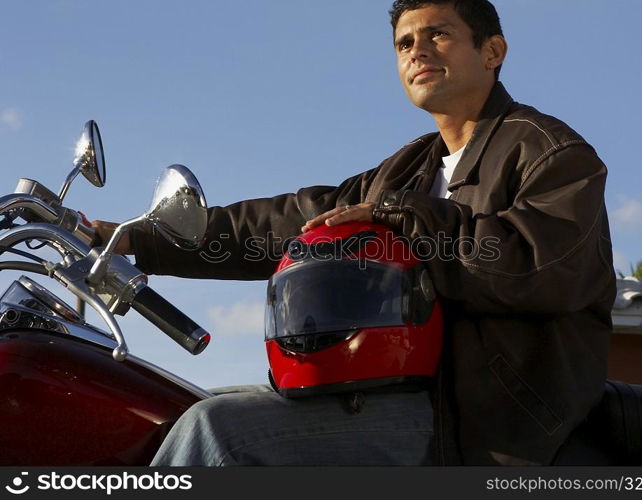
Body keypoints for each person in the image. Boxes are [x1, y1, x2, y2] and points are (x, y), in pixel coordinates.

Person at [94, 0, 615, 466]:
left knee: (220, 433)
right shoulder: (408, 167)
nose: (418, 51)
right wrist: (138, 239)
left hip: (485, 418)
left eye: (439, 34)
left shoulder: (552, 153)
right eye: (405, 43)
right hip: (382, 388)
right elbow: (289, 224)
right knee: (188, 406)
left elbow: (535, 267)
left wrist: (403, 214)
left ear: (492, 51)